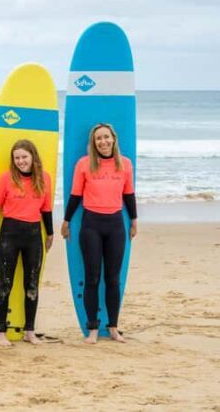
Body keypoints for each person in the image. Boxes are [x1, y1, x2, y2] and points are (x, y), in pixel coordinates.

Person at [61, 123, 137, 344]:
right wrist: (66, 220)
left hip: (115, 225)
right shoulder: (84, 164)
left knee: (113, 279)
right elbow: (75, 195)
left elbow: (129, 195)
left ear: (113, 139)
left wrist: (133, 220)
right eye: (98, 139)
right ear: (93, 143)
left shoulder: (125, 165)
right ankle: (92, 328)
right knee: (92, 278)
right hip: (91, 225)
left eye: (106, 137)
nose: (103, 142)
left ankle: (113, 327)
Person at [0, 140, 54, 347]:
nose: (21, 161)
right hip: (9, 235)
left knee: (31, 285)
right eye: (17, 158)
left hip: (33, 235)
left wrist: (50, 234)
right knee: (5, 284)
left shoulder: (44, 178)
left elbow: (46, 209)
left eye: (24, 157)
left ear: (33, 157)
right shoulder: (6, 178)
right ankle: (1, 332)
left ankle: (30, 331)